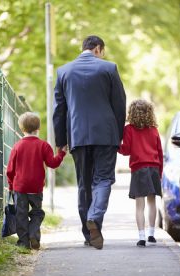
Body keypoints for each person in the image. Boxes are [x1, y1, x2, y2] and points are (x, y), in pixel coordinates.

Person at [53, 35, 126, 249]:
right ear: (98, 49)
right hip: (106, 135)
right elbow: (120, 105)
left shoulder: (64, 71)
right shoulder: (109, 69)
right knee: (103, 180)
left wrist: (61, 141)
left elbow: (59, 111)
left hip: (78, 136)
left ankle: (89, 235)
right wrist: (118, 135)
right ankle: (94, 219)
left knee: (84, 185)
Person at [7, 112, 66, 249]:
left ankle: (23, 242)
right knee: (37, 212)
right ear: (38, 129)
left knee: (21, 214)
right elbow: (52, 163)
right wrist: (61, 153)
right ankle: (33, 234)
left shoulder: (17, 146)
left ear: (22, 129)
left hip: (19, 187)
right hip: (36, 187)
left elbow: (10, 170)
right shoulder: (43, 145)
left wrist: (11, 186)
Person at [118, 99, 163, 247]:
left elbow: (126, 150)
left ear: (132, 113)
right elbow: (160, 153)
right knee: (152, 202)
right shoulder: (154, 130)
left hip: (139, 169)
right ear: (150, 112)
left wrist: (115, 146)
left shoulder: (129, 129)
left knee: (139, 205)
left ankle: (142, 237)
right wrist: (160, 173)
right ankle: (151, 234)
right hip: (154, 168)